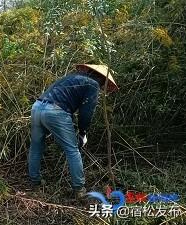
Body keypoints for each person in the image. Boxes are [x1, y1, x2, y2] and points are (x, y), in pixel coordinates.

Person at [27, 64, 118, 198]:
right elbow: (86, 113)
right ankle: (79, 189)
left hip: (37, 107)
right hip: (55, 111)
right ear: (103, 79)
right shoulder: (93, 84)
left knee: (36, 146)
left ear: (89, 71)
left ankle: (34, 182)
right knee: (72, 150)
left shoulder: (71, 77)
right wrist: (83, 132)